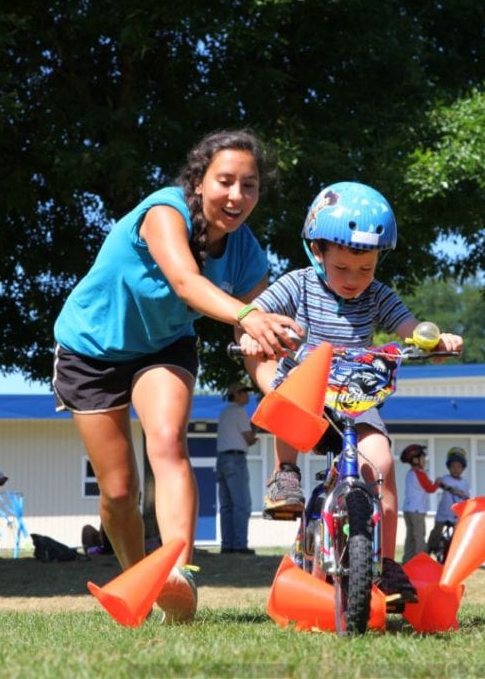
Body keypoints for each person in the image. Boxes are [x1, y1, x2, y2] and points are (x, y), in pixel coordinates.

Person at [52, 129, 301, 623]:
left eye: (248, 186)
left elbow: (254, 349)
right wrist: (249, 316)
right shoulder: (164, 211)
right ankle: (138, 583)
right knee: (119, 490)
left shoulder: (249, 256)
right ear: (198, 180)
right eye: (225, 181)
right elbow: (187, 284)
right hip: (90, 349)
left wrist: (281, 389)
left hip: (164, 346)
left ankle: (178, 577)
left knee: (168, 443)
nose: (236, 196)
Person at [242, 181, 463, 602]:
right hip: (307, 392)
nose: (354, 280)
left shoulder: (378, 295)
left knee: (381, 466)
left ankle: (385, 564)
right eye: (342, 269)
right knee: (290, 393)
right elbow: (255, 313)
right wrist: (254, 334)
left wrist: (434, 341)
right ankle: (285, 473)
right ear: (318, 252)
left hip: (356, 395)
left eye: (366, 269)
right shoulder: (299, 285)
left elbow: (410, 330)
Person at [216, 381, 257, 555]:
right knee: (241, 505)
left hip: (222, 460)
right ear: (237, 394)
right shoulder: (239, 412)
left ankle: (227, 545)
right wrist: (255, 430)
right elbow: (249, 438)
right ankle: (240, 546)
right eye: (245, 392)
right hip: (236, 459)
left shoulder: (225, 413)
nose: (248, 395)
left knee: (226, 506)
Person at [426, 447, 471, 559]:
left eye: (458, 467)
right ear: (449, 467)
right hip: (444, 513)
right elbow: (438, 481)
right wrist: (439, 482)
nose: (456, 469)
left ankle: (454, 554)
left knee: (458, 535)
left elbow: (466, 497)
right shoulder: (445, 479)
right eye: (453, 467)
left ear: (463, 468)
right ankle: (428, 550)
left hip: (456, 515)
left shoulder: (464, 483)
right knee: (436, 533)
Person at [399, 444, 439, 563]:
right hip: (417, 510)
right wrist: (438, 482)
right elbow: (430, 488)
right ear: (415, 460)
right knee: (419, 536)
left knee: (410, 537)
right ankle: (422, 562)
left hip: (408, 509)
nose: (424, 461)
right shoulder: (419, 473)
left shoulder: (410, 473)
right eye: (423, 458)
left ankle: (407, 562)